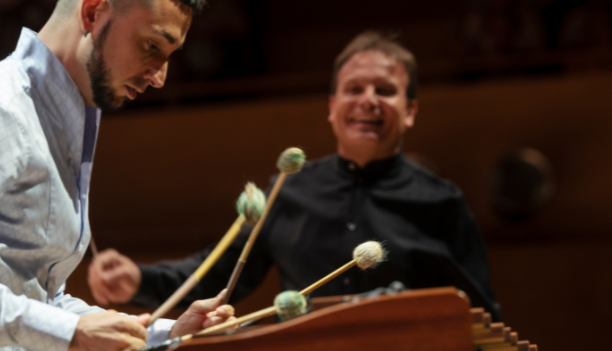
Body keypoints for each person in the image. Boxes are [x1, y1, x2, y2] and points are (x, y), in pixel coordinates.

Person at [0, 0, 236, 350]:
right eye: (151, 46)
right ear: (92, 13)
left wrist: (163, 335)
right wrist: (68, 333)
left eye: (169, 57)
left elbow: (38, 299)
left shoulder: (60, 117)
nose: (160, 77)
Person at [88, 32, 502, 320]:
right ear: (332, 106)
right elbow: (220, 275)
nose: (368, 101)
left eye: (385, 90)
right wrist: (137, 280)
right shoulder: (291, 189)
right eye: (354, 89)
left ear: (410, 110)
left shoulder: (441, 202)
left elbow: (478, 312)